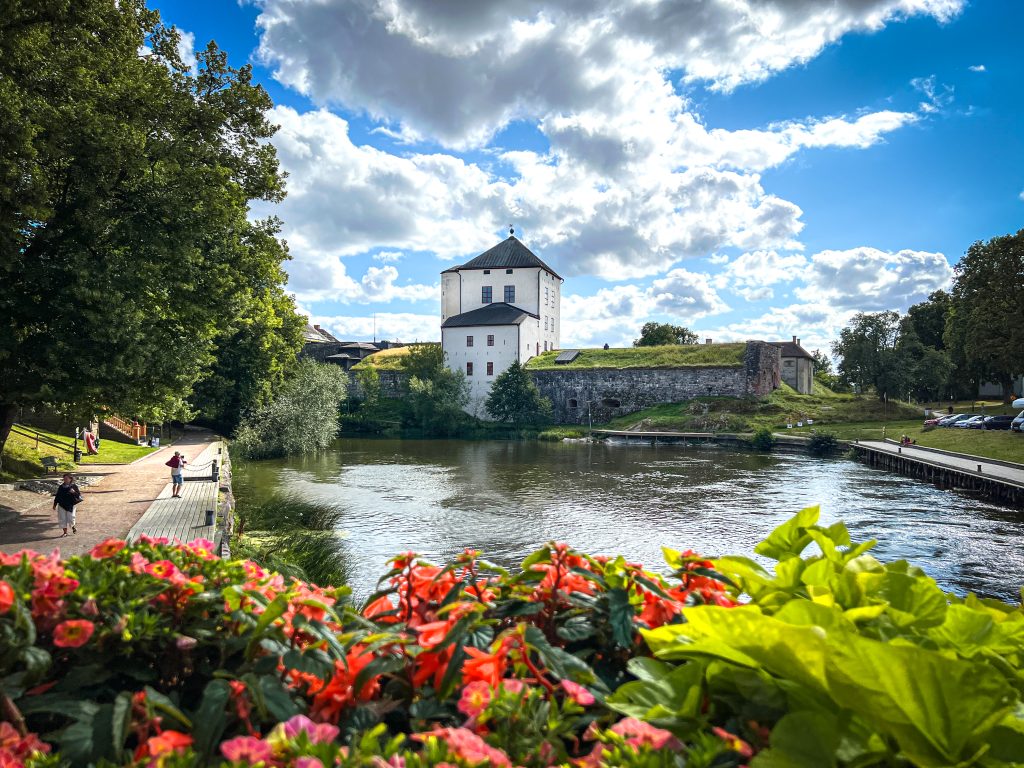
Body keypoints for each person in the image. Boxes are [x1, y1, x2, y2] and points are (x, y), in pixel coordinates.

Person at [53, 473, 83, 537]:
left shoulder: (74, 486)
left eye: (66, 478)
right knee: (62, 519)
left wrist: (74, 492)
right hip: (61, 505)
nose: (65, 480)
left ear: (70, 479)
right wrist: (55, 504)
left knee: (71, 518)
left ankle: (73, 527)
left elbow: (78, 496)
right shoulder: (61, 487)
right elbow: (57, 496)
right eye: (64, 478)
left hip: (71, 505)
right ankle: (65, 533)